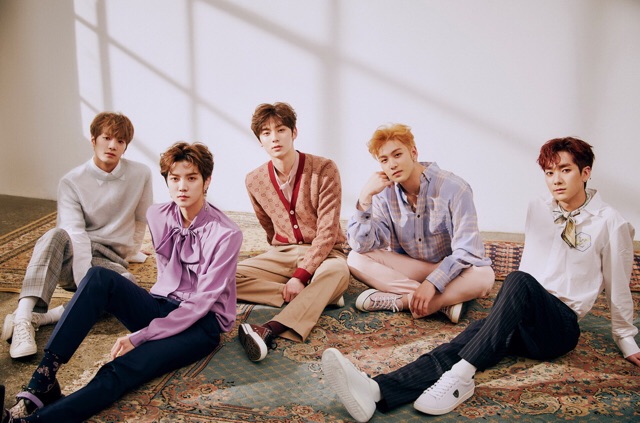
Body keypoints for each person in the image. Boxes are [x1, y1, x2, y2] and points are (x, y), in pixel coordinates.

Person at [321, 137, 640, 422]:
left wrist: (626, 338)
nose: (556, 180)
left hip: (559, 327)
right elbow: (533, 262)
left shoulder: (610, 222)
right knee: (461, 342)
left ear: (585, 173)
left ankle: (462, 377)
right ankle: (377, 390)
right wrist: (507, 312)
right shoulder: (539, 207)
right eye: (549, 172)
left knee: (516, 280)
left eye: (565, 170)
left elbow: (618, 282)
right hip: (524, 314)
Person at [0, 142, 243, 423]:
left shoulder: (227, 234)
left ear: (206, 181)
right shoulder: (158, 215)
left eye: (191, 178)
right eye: (174, 178)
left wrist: (140, 336)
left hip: (201, 324)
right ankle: (44, 377)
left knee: (121, 367)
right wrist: (149, 316)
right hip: (161, 305)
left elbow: (199, 305)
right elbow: (166, 274)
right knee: (99, 277)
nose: (182, 187)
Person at [2, 112, 153, 359]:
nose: (113, 145)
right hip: (74, 256)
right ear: (93, 140)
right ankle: (22, 317)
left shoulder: (141, 174)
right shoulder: (72, 181)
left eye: (120, 141)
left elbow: (141, 218)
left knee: (129, 288)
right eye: (106, 138)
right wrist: (88, 284)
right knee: (54, 235)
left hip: (108, 259)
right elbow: (75, 234)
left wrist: (131, 250)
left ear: (126, 146)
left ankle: (42, 318)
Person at [347, 123, 494, 324]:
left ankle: (403, 301)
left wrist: (433, 282)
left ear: (413, 153)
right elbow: (363, 245)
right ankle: (443, 302)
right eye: (384, 160)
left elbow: (468, 251)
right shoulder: (383, 194)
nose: (392, 164)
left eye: (397, 155)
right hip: (412, 266)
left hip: (449, 267)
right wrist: (365, 198)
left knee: (484, 275)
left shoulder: (455, 188)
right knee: (355, 258)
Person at [236, 102, 349, 362]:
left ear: (294, 132)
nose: (274, 138)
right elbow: (267, 225)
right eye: (266, 133)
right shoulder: (254, 180)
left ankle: (269, 328)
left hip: (328, 253)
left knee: (338, 273)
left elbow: (328, 231)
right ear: (260, 140)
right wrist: (288, 267)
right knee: (223, 277)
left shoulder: (324, 169)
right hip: (285, 252)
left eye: (281, 130)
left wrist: (300, 275)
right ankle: (318, 294)